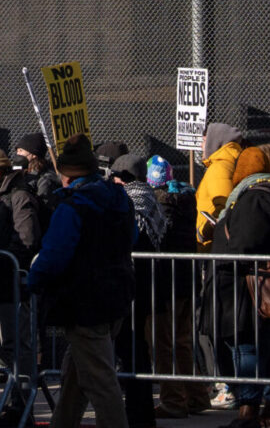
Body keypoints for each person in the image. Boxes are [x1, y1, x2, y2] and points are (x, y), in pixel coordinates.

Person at [28, 135, 135, 428]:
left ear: (66, 174)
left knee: (101, 383)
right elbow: (131, 239)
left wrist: (32, 281)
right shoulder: (119, 201)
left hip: (86, 303)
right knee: (77, 376)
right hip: (116, 297)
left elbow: (54, 255)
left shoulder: (72, 208)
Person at [208, 142, 270, 428]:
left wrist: (223, 237)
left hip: (248, 285)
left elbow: (248, 241)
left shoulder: (256, 196)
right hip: (262, 283)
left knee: (246, 347)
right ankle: (268, 407)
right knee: (266, 348)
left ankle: (250, 409)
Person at [0, 145, 45, 424]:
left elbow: (26, 238)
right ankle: (18, 401)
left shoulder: (19, 196)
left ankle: (21, 404)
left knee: (18, 346)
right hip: (6, 285)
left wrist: (6, 264)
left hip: (16, 285)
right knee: (9, 347)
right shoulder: (6, 195)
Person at [148, 156, 206, 420]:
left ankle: (173, 400)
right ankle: (195, 396)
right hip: (186, 281)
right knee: (182, 341)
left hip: (165, 284)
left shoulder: (160, 206)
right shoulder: (187, 201)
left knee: (163, 343)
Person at [111, 153, 165, 428]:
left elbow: (135, 238)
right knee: (136, 349)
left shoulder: (132, 201)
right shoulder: (149, 195)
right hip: (143, 283)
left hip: (133, 283)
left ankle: (138, 412)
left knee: (131, 350)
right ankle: (141, 412)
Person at [195, 123, 245, 249]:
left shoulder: (219, 168)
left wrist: (202, 232)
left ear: (214, 141)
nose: (201, 146)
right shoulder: (234, 162)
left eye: (204, 141)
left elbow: (224, 207)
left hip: (212, 246)